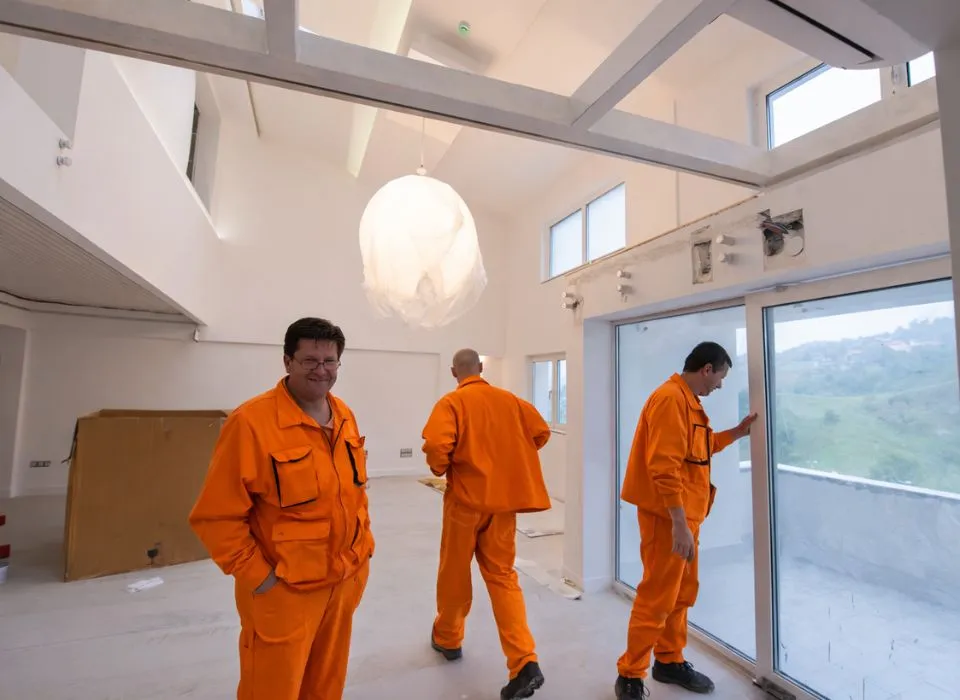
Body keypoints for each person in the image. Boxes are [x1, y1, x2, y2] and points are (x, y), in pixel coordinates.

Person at [189, 317, 374, 700]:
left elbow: (353, 493)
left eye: (329, 362)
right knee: (272, 689)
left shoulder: (345, 416)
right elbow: (216, 516)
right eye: (310, 361)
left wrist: (363, 551)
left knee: (326, 685)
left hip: (342, 583)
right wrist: (261, 578)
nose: (321, 371)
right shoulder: (252, 423)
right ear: (287, 361)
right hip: (285, 591)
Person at [615, 341, 757, 698]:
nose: (720, 386)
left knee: (681, 594)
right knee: (657, 596)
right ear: (706, 369)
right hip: (668, 519)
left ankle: (669, 660)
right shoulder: (670, 400)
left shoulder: (688, 403)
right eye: (720, 377)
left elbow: (698, 447)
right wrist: (679, 524)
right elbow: (663, 466)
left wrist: (737, 433)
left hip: (686, 518)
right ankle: (630, 675)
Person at [422, 349, 552, 700]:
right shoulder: (511, 401)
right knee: (503, 578)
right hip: (503, 508)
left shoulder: (452, 404)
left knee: (454, 573)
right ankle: (524, 661)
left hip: (465, 503)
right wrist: (507, 456)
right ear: (481, 369)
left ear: (454, 372)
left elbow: (436, 446)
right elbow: (540, 432)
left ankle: (448, 638)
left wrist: (444, 466)